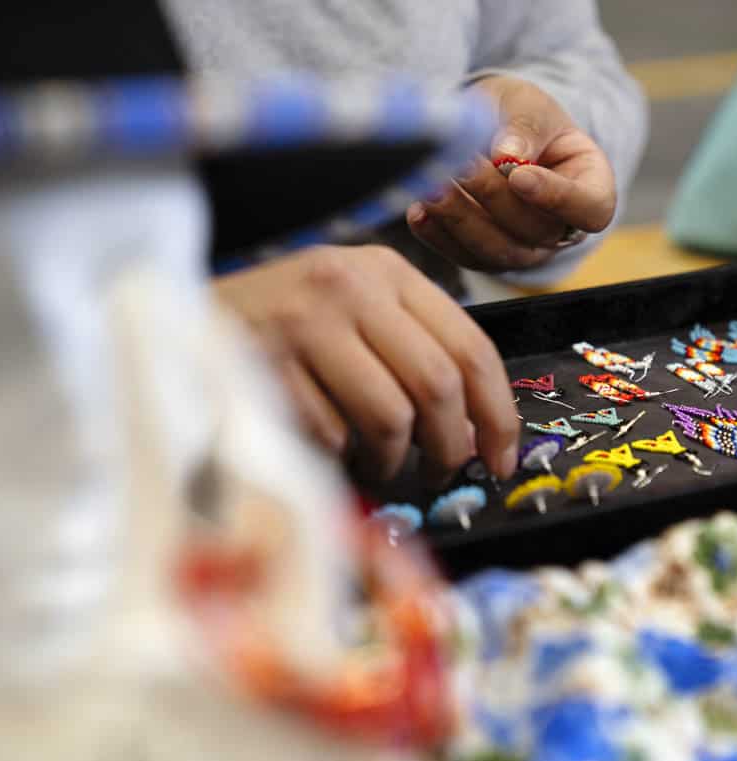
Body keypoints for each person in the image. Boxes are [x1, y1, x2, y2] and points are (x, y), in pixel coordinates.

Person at [160, 0, 649, 484]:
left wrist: (540, 146)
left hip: (434, 421)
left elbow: (570, 55)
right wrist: (193, 326)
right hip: (153, 450)